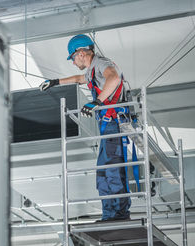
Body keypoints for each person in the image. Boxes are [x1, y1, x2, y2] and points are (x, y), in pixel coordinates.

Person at [39, 34, 131, 221]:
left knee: (112, 169)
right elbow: (80, 79)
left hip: (113, 123)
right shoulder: (92, 69)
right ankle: (109, 214)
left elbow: (113, 78)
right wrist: (56, 82)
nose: (73, 62)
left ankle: (119, 214)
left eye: (72, 57)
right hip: (107, 125)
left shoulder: (103, 63)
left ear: (81, 53)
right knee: (103, 171)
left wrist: (97, 102)